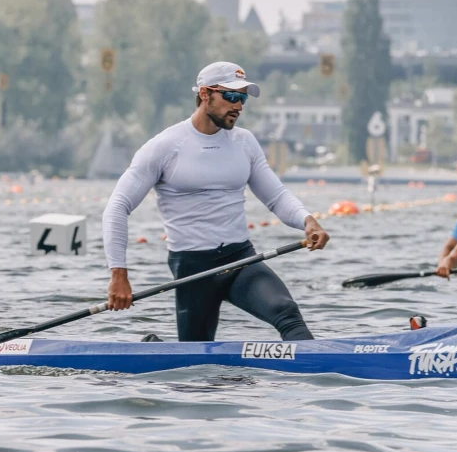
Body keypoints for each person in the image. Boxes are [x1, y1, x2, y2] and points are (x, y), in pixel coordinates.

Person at [102, 61, 330, 342]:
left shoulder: (244, 143)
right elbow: (117, 206)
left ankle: (316, 372)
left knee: (287, 313)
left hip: (241, 260)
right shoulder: (165, 146)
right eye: (232, 96)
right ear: (206, 94)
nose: (239, 106)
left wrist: (307, 221)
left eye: (243, 98)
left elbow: (276, 196)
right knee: (195, 363)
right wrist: (118, 274)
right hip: (193, 268)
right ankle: (155, 348)